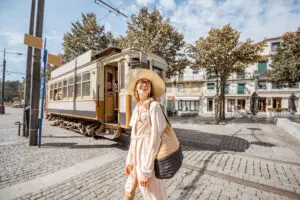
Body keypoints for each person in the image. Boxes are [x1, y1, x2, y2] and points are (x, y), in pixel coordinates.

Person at [124, 69, 168, 200]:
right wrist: (130, 160)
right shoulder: (137, 107)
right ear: (135, 88)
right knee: (129, 189)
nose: (144, 85)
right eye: (141, 83)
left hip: (147, 155)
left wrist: (147, 171)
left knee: (153, 195)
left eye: (148, 83)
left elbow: (155, 139)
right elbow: (133, 138)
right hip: (136, 157)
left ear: (151, 89)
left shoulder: (154, 106)